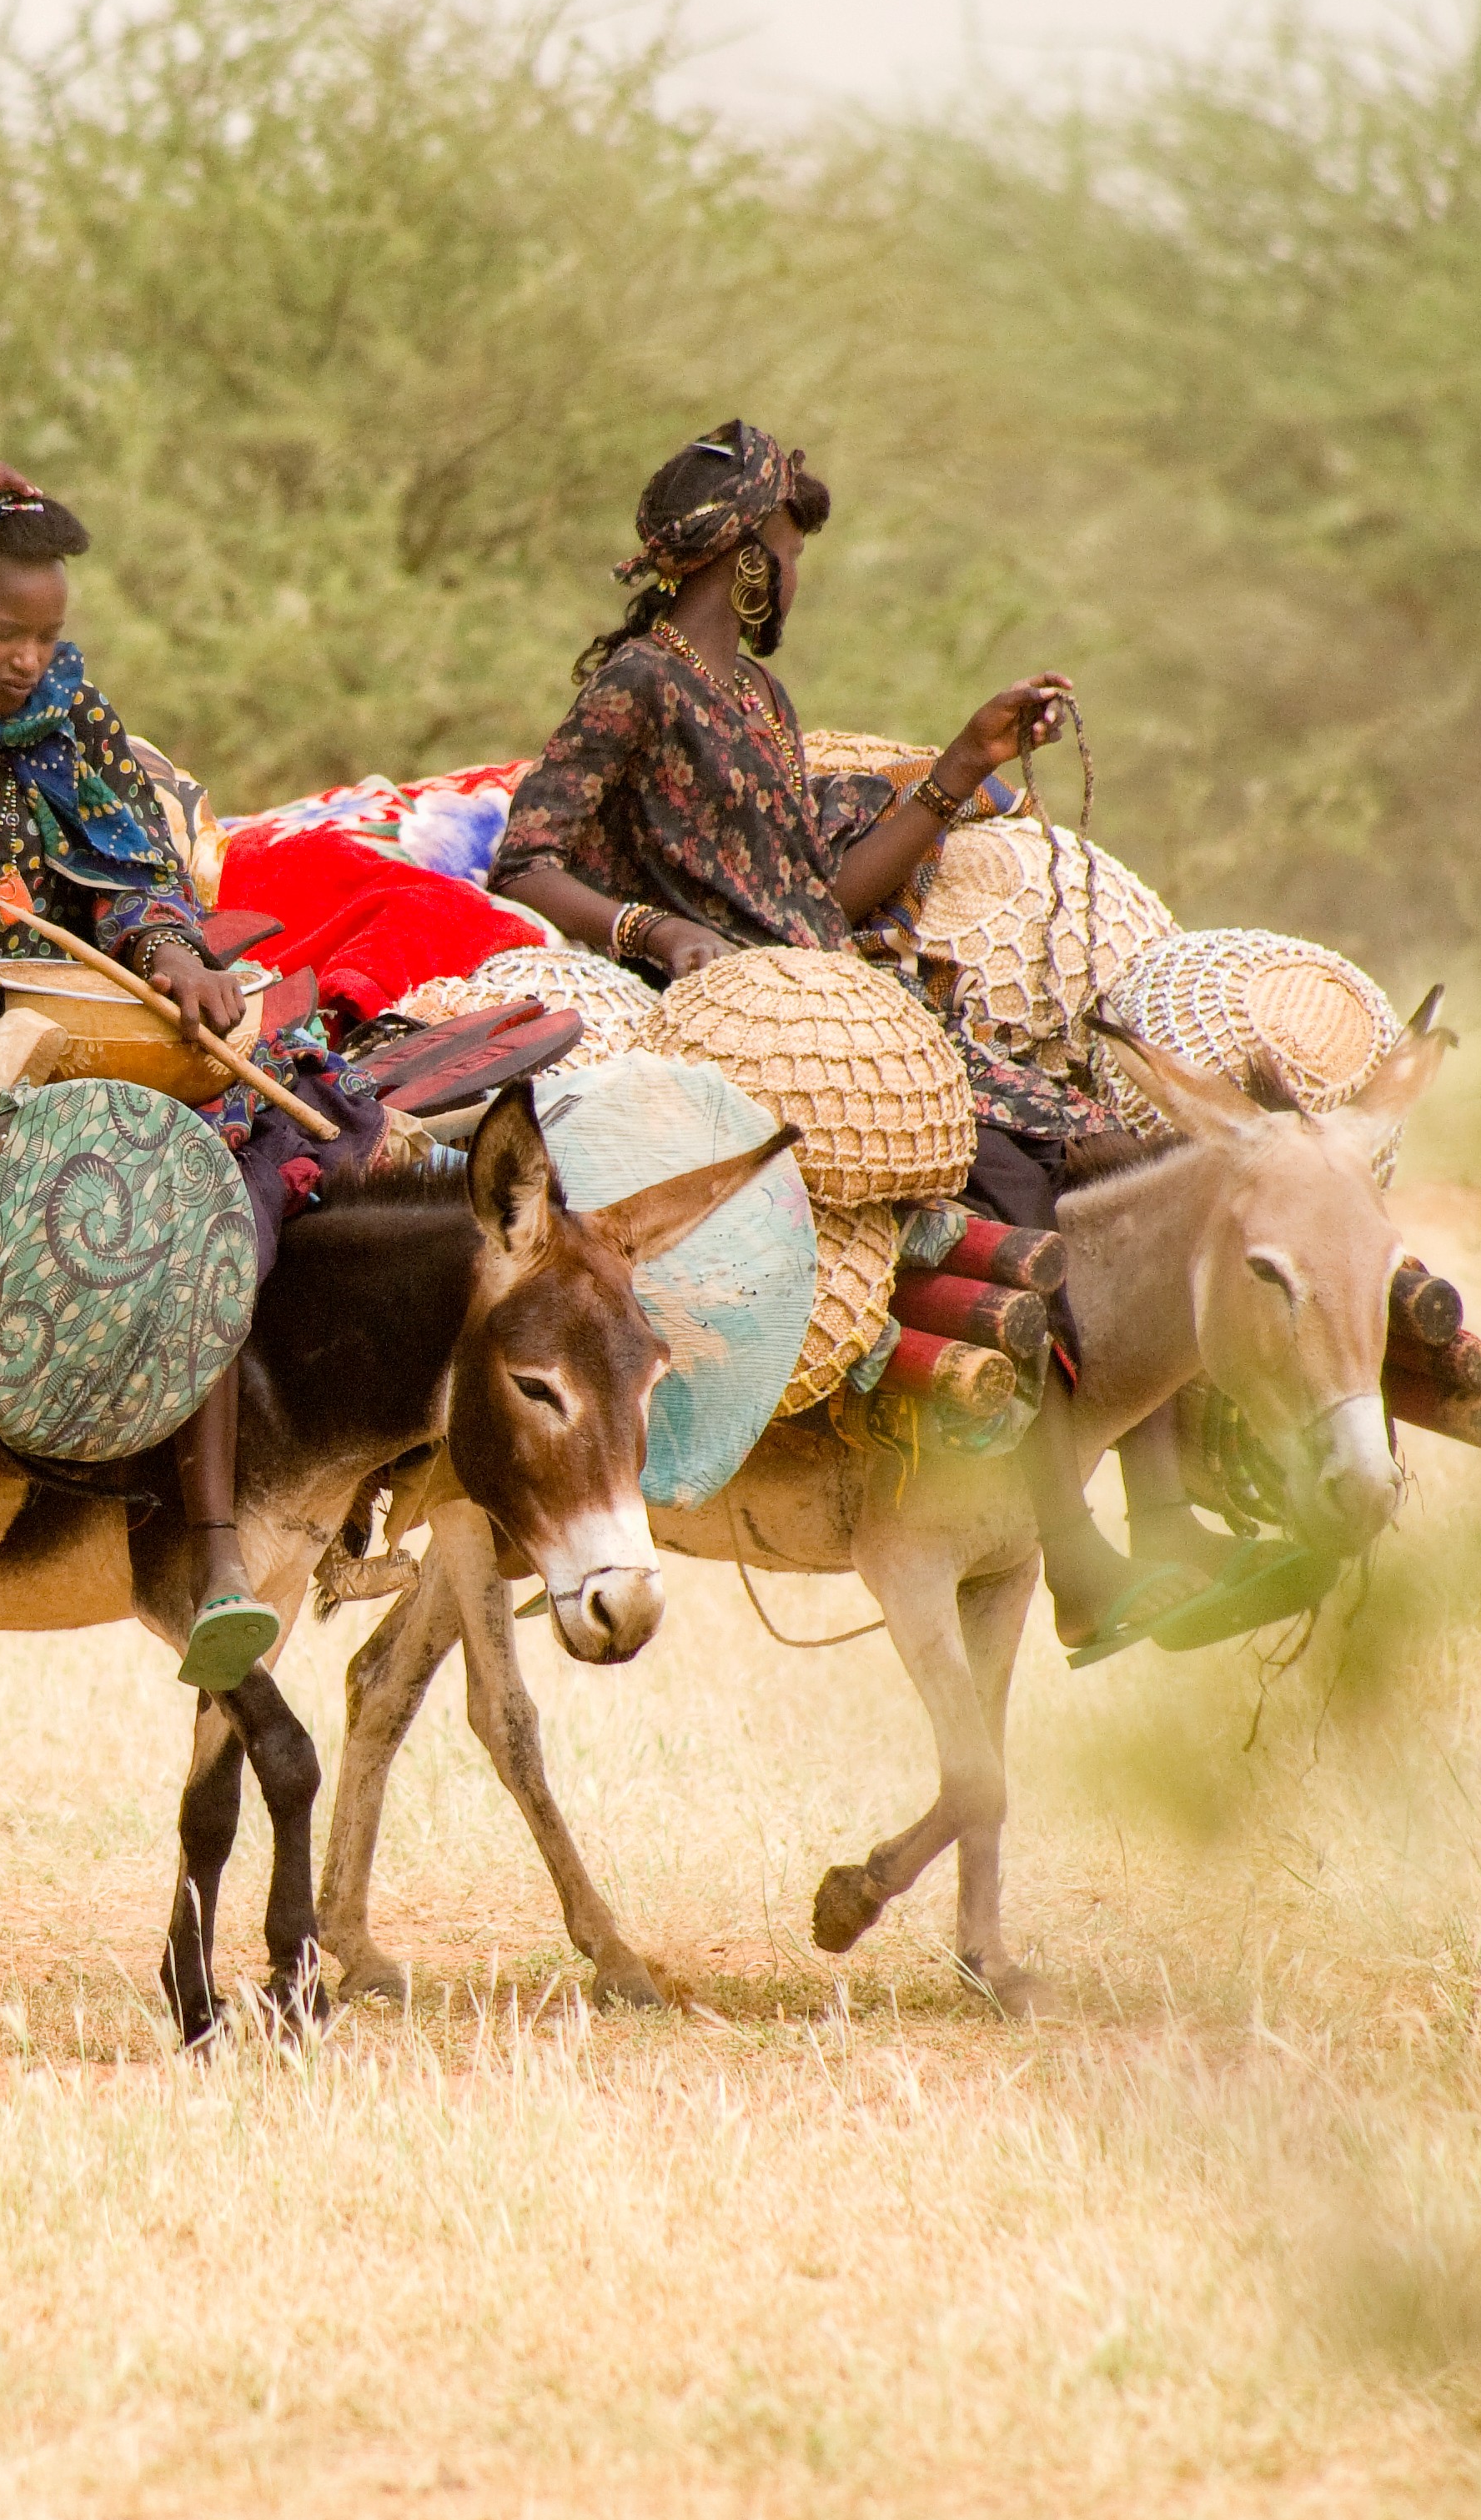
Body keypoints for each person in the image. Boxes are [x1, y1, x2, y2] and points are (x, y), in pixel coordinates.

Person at [490, 420, 1226, 1655]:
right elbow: (527, 855)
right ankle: (1077, 1556)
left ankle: (1156, 1515)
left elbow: (817, 906)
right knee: (1010, 1204)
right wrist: (652, 932)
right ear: (748, 553)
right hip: (767, 1031)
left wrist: (967, 762)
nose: (798, 564)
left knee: (1117, 1164)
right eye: (790, 539)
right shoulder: (641, 688)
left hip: (844, 1010)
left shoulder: (758, 700)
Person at [0, 463, 379, 1692]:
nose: (26, 658)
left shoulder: (62, 711)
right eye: (4, 630)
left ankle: (217, 1552)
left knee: (230, 1165)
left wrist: (174, 956)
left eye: (48, 632)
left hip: (69, 1033)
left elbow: (136, 868)